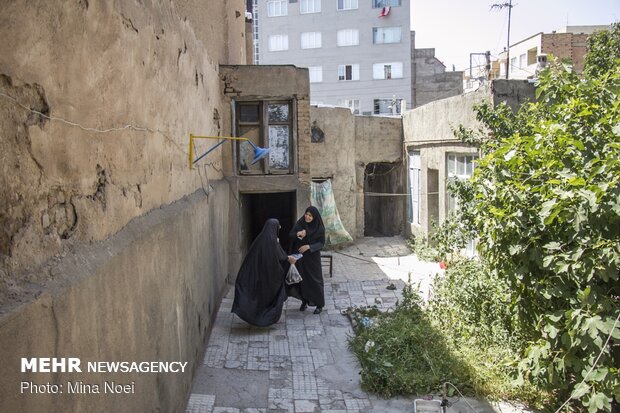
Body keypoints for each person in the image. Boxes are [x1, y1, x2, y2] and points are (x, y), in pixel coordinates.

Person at [232, 218, 297, 327]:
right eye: (278, 226)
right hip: (269, 276)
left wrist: (286, 257)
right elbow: (279, 255)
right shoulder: (272, 241)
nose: (279, 228)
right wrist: (288, 258)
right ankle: (267, 318)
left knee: (262, 297)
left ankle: (261, 316)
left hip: (261, 276)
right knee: (274, 295)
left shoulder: (262, 239)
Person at [287, 206, 326, 314]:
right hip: (301, 258)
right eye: (306, 214)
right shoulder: (300, 223)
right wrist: (298, 234)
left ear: (314, 217)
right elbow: (290, 235)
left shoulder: (319, 228)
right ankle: (304, 301)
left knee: (315, 280)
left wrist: (309, 247)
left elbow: (321, 243)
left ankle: (319, 304)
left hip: (313, 258)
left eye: (310, 216)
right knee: (302, 280)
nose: (307, 217)